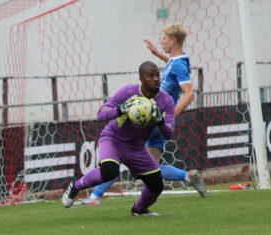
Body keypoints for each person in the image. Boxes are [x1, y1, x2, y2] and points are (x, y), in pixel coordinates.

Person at [84, 23, 208, 206]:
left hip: (152, 118)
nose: (162, 40)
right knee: (149, 167)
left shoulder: (179, 64)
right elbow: (174, 68)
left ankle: (95, 196)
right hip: (150, 114)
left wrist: (168, 116)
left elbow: (189, 93)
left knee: (125, 153)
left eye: (164, 38)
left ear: (173, 40)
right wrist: (157, 54)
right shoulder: (178, 60)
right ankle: (188, 176)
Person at [62, 61, 175, 216]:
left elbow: (169, 134)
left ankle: (139, 210)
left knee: (156, 185)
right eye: (150, 75)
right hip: (113, 139)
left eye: (157, 75)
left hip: (136, 147)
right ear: (141, 78)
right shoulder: (128, 91)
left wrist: (159, 121)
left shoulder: (166, 101)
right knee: (109, 171)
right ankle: (75, 186)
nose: (156, 78)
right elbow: (101, 113)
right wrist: (120, 109)